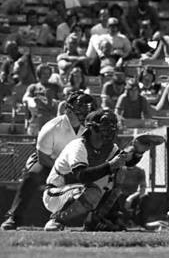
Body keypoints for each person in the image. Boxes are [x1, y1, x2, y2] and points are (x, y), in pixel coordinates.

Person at [42, 109, 157, 231]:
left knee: (120, 171)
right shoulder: (78, 146)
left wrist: (138, 151)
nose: (109, 131)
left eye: (111, 127)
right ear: (92, 128)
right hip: (56, 193)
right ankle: (56, 220)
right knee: (93, 191)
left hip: (79, 190)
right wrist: (110, 165)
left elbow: (127, 161)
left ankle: (95, 220)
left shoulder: (109, 147)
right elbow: (82, 175)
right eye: (105, 127)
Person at [0, 92, 97, 230]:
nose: (82, 115)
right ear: (68, 111)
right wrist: (62, 173)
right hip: (50, 164)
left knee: (101, 179)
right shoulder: (51, 127)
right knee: (33, 176)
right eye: (79, 111)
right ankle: (14, 217)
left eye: (85, 111)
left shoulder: (91, 128)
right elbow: (42, 157)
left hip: (77, 166)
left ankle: (97, 220)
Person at [23, 63, 62, 136]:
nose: (46, 75)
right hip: (37, 115)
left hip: (51, 115)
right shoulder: (33, 87)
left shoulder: (55, 87)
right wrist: (32, 101)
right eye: (44, 73)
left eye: (48, 73)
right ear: (39, 74)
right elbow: (25, 98)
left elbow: (62, 101)